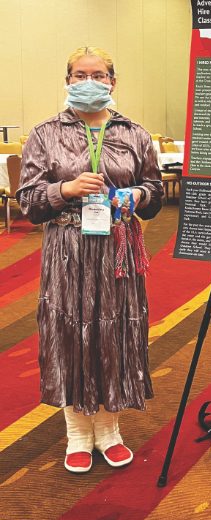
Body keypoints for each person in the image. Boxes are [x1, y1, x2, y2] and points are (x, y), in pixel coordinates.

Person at [17, 47, 163, 474]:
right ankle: (78, 433)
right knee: (70, 333)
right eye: (80, 75)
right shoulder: (45, 134)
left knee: (114, 332)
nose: (89, 82)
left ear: (112, 81)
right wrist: (64, 189)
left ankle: (109, 430)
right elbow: (27, 201)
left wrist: (138, 195)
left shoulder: (134, 134)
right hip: (67, 250)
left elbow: (155, 191)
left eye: (98, 74)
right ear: (67, 80)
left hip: (118, 248)